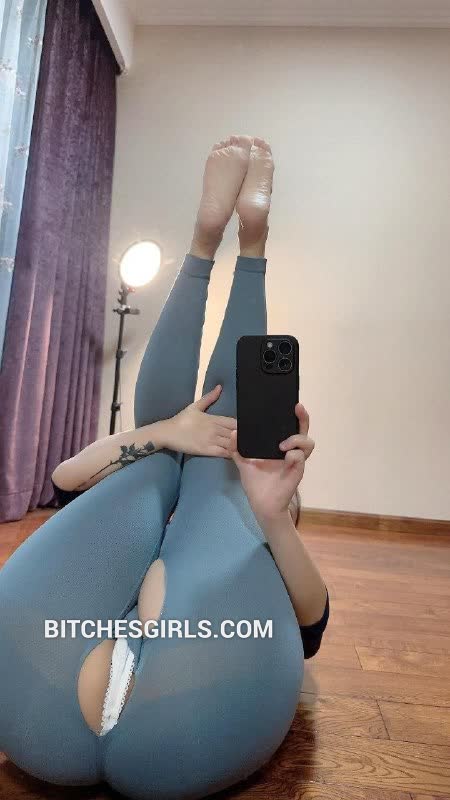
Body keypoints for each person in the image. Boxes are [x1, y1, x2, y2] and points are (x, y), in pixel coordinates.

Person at [0, 135, 329, 800]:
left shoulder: (251, 507)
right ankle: (240, 245)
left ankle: (218, 247)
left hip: (54, 709)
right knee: (166, 457)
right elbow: (65, 478)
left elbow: (311, 621)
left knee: (218, 468)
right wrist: (166, 435)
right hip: (169, 723)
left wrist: (273, 516)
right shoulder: (146, 493)